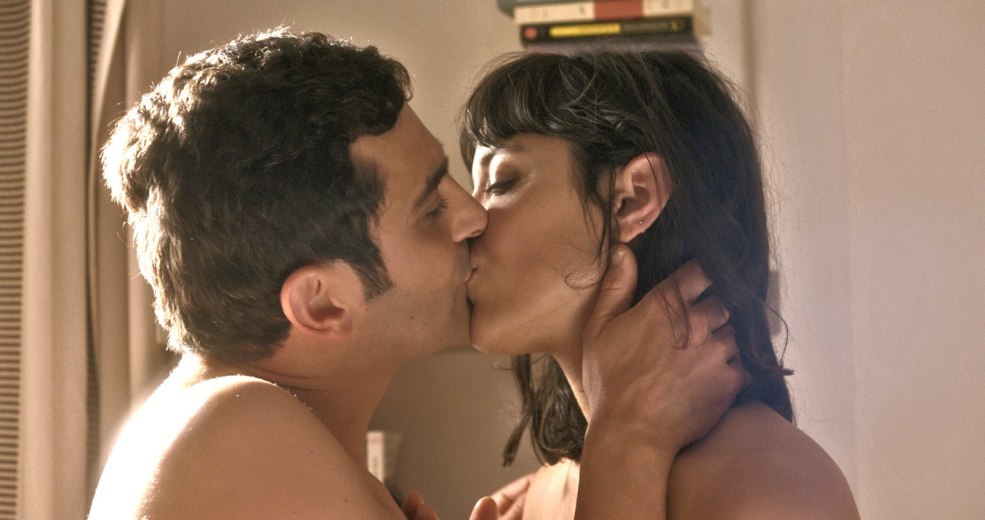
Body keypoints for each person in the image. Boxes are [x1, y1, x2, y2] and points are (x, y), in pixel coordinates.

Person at [88, 29, 744, 519]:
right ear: (321, 304)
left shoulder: (230, 435)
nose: (472, 216)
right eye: (431, 209)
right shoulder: (240, 431)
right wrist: (627, 437)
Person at [461, 50, 861, 518]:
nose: (468, 221)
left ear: (633, 199)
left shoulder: (768, 490)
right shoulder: (536, 498)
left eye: (501, 182)